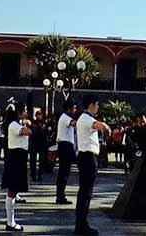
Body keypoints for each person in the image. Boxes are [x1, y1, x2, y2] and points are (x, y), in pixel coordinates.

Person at [74, 94, 110, 236]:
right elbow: (98, 126)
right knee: (85, 193)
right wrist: (106, 126)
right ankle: (81, 225)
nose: (98, 107)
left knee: (85, 192)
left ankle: (81, 223)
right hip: (87, 157)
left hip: (87, 157)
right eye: (97, 104)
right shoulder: (86, 119)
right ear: (91, 105)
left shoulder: (85, 118)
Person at [1, 103, 31, 232]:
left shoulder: (18, 124)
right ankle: (10, 222)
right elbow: (28, 132)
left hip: (20, 157)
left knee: (14, 190)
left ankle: (11, 221)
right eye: (24, 110)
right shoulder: (14, 125)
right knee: (12, 191)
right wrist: (28, 125)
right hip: (15, 157)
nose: (26, 112)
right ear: (19, 113)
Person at [56, 100, 77, 205]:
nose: (75, 110)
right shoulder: (65, 117)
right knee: (64, 171)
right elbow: (75, 124)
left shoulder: (65, 117)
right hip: (65, 146)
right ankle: (60, 196)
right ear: (69, 109)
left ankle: (61, 194)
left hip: (67, 146)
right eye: (74, 108)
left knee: (65, 171)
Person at [29, 110, 48, 182]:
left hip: (42, 143)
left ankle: (40, 175)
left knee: (41, 160)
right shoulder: (33, 123)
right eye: (38, 115)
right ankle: (33, 175)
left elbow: (46, 133)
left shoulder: (44, 123)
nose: (39, 116)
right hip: (34, 143)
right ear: (36, 116)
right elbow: (32, 132)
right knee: (32, 160)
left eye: (40, 115)